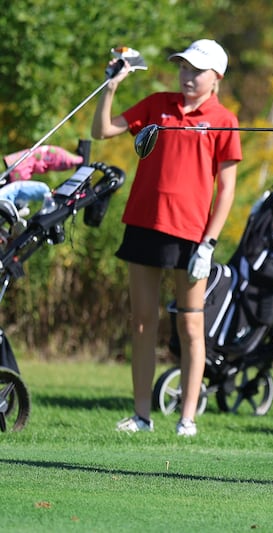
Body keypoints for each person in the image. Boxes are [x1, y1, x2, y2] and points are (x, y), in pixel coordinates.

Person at [91, 39, 242, 437]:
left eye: (197, 70)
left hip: (192, 235)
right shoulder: (158, 104)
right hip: (144, 223)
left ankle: (187, 418)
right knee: (142, 322)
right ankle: (142, 415)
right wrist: (111, 86)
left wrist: (209, 243)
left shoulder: (224, 119)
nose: (188, 76)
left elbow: (226, 189)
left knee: (190, 327)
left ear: (216, 77)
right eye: (184, 68)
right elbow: (103, 131)